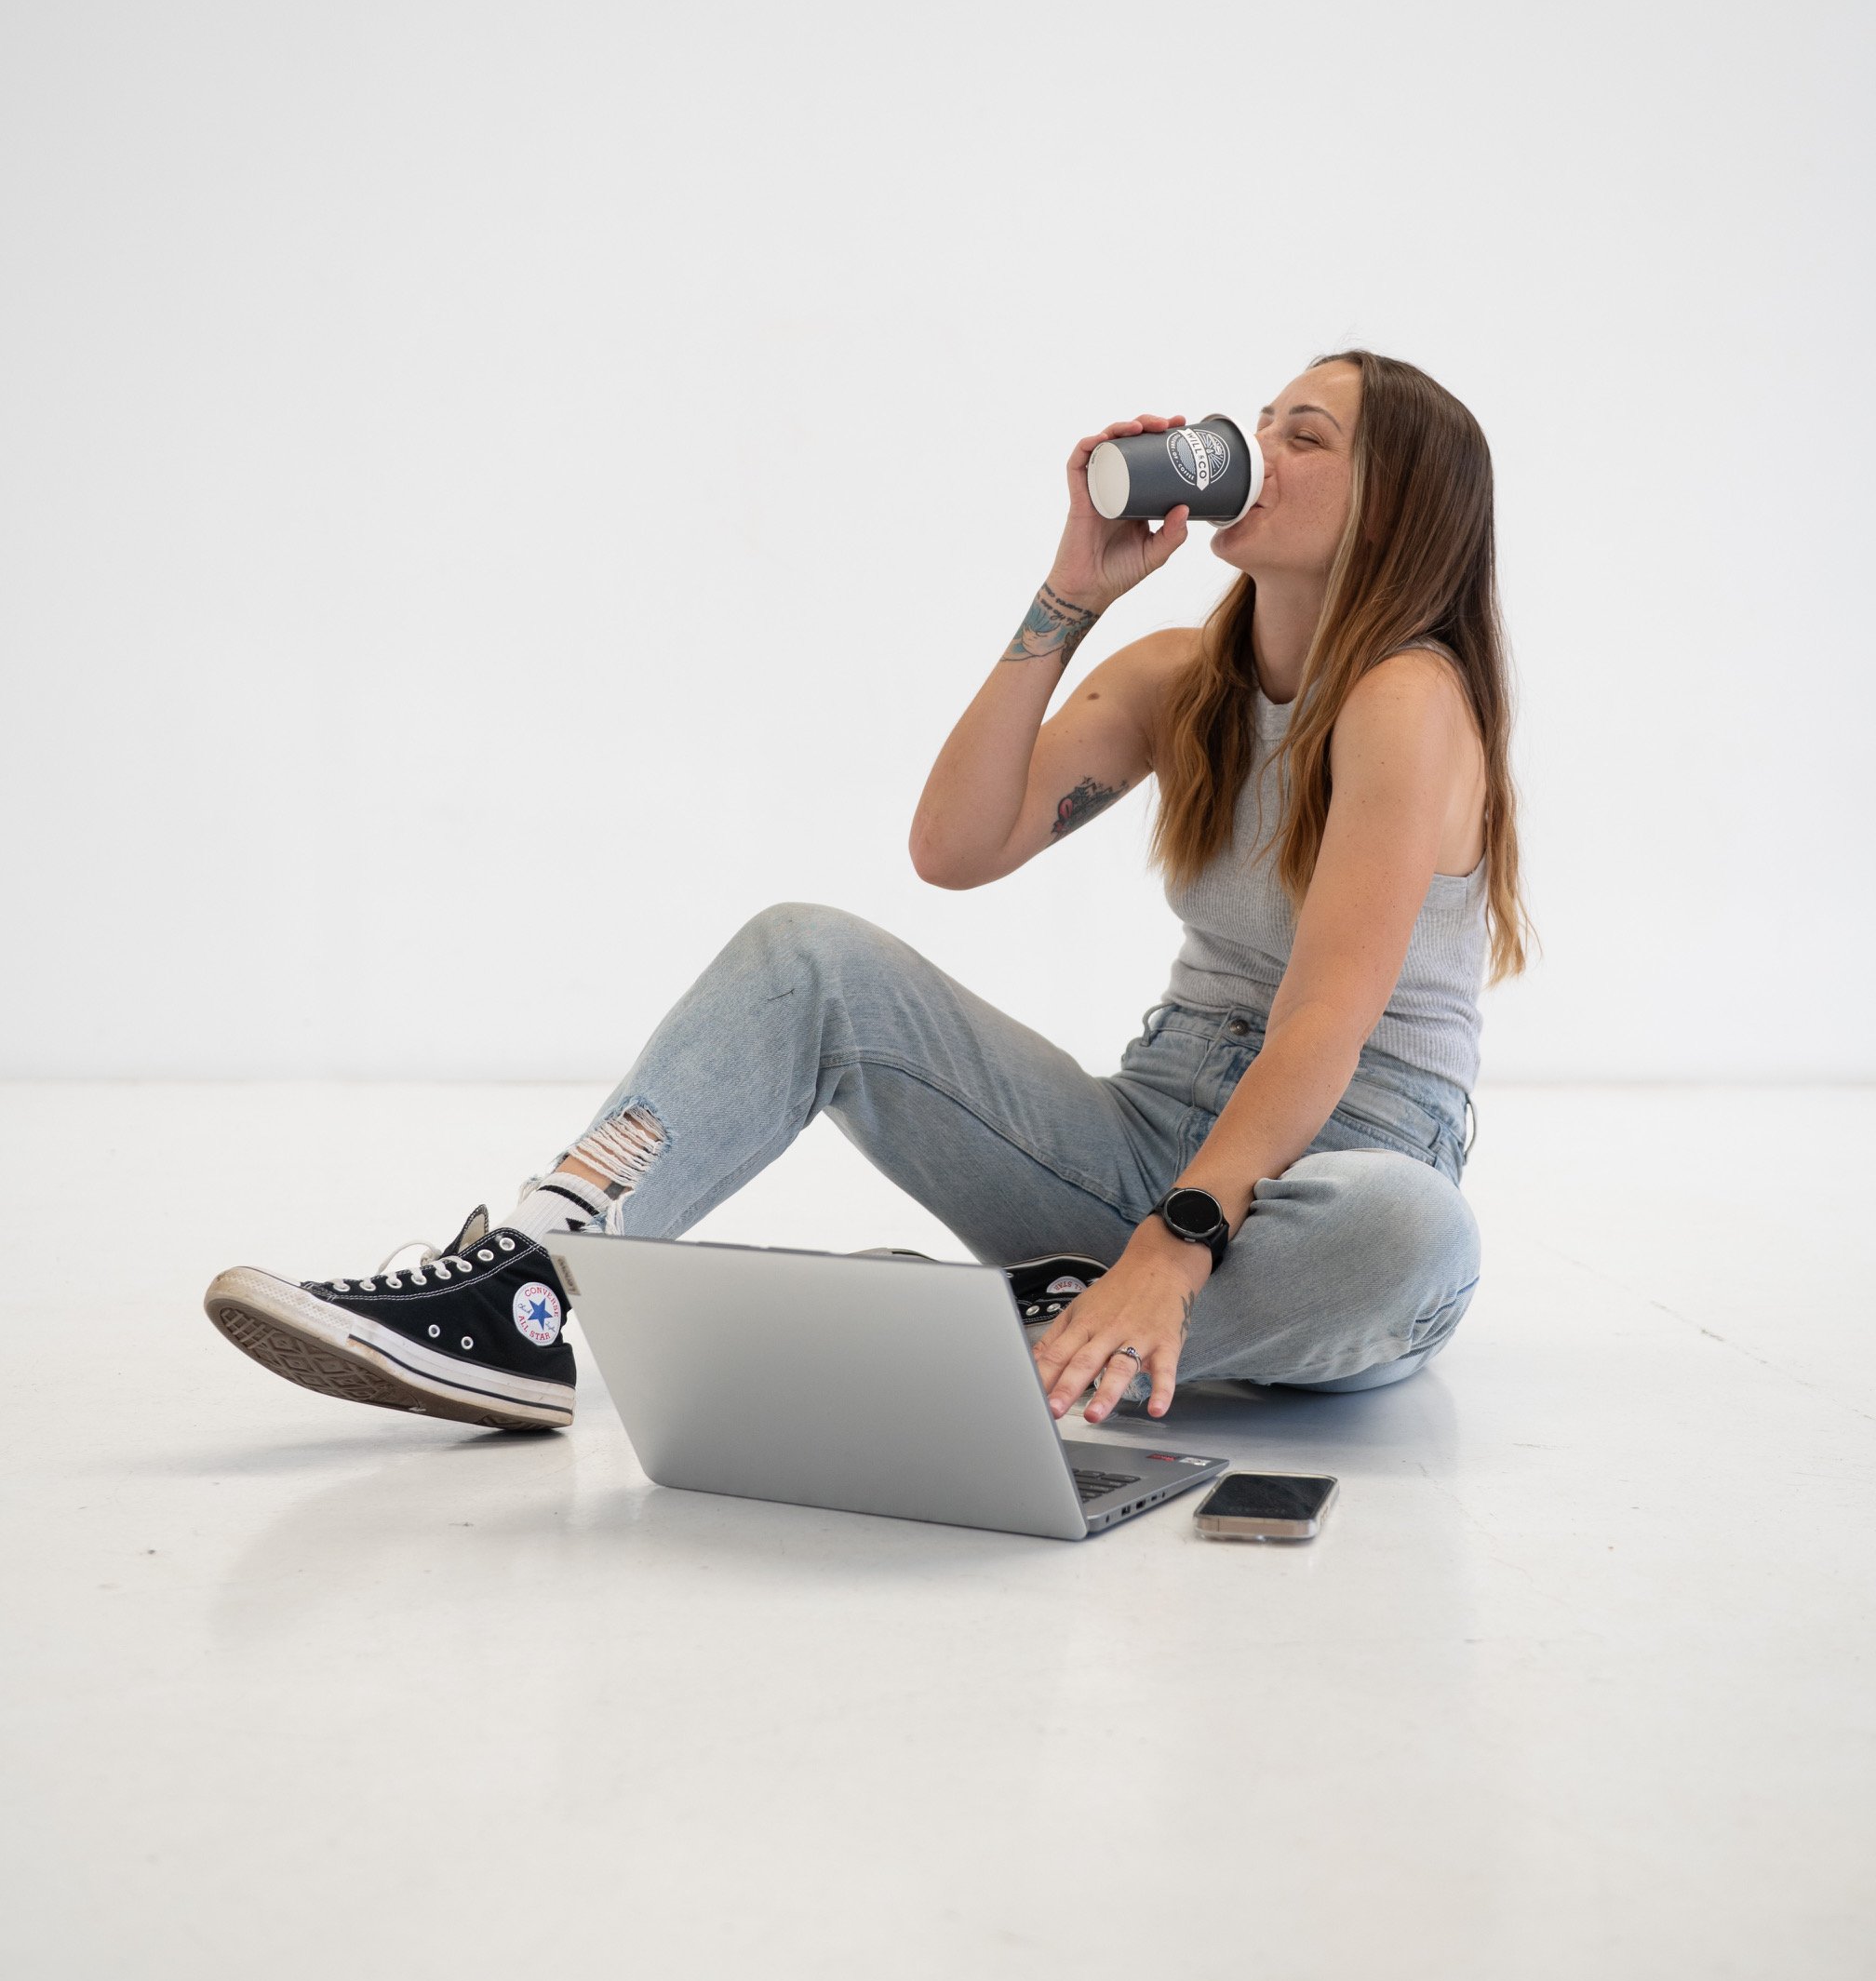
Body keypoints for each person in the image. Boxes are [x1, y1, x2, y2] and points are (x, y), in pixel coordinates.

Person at [205, 349, 1532, 1436]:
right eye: (1261, 422)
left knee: (1412, 1237)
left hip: (1328, 1177)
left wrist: (1172, 1251)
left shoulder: (1409, 699)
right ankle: (532, 1287)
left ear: (1393, 506)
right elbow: (955, 845)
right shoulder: (1184, 673)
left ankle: (992, 1340)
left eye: (1305, 437)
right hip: (1143, 1146)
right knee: (809, 957)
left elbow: (1322, 1026)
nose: (1254, 445)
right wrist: (1071, 595)